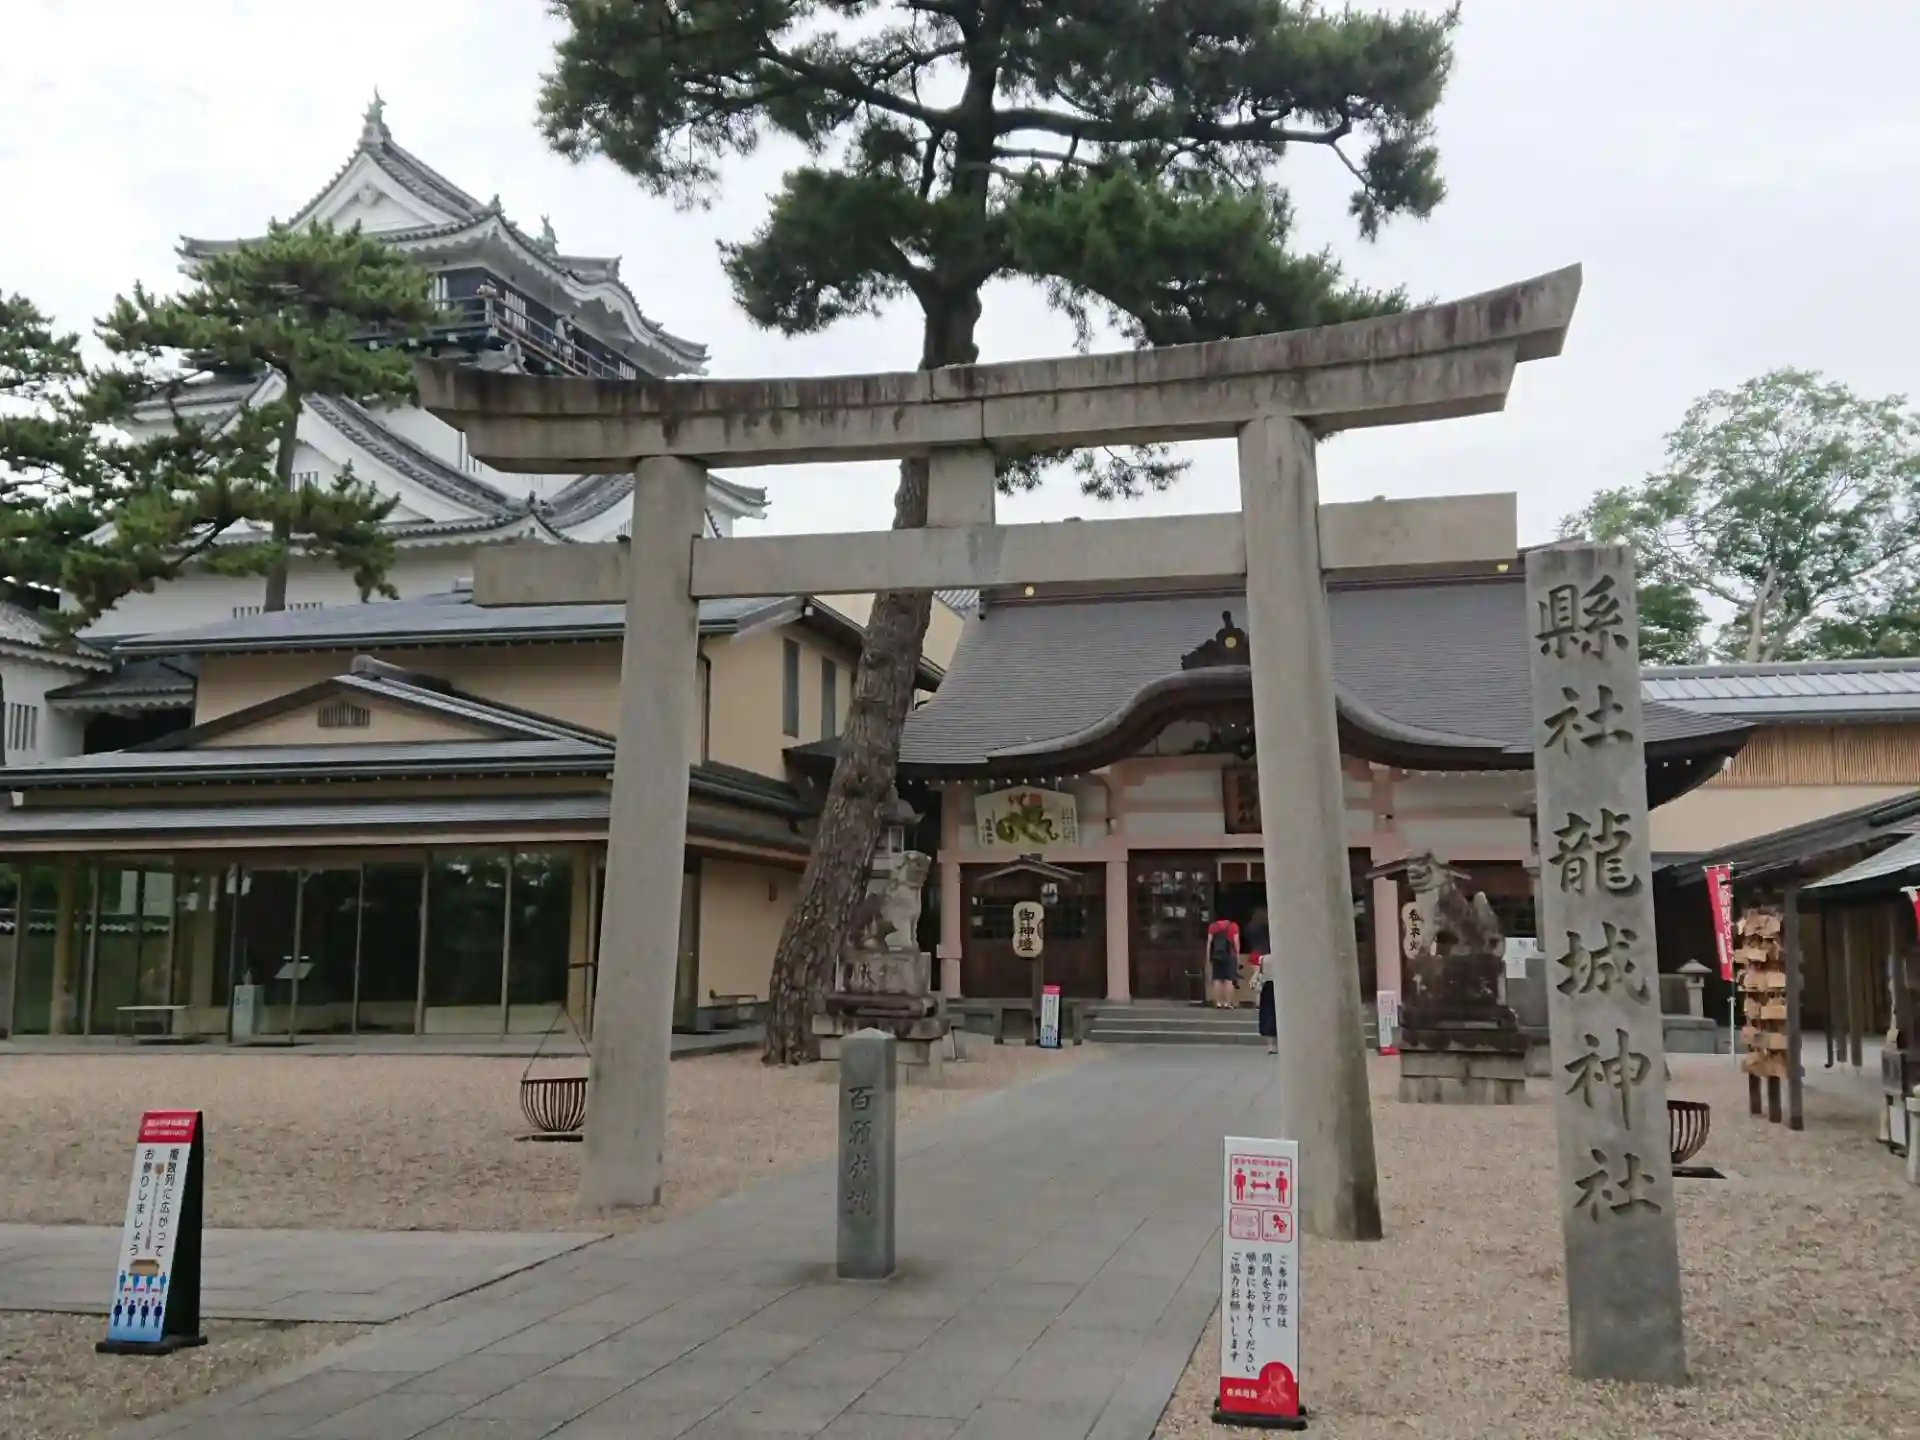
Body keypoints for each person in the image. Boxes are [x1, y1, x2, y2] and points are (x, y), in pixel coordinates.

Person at [1244, 906, 1275, 1053]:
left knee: (1267, 1006)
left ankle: (1271, 1045)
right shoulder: (1271, 925)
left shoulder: (1252, 926)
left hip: (1259, 954)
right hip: (1270, 955)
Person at [1204, 913, 1241, 1009]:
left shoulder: (1213, 926)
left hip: (1216, 956)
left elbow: (1209, 943)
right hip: (1230, 955)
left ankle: (1218, 1002)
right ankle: (1228, 1002)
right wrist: (1237, 956)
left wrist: (1208, 957)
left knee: (1217, 979)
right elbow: (1236, 942)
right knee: (1229, 980)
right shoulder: (1233, 926)